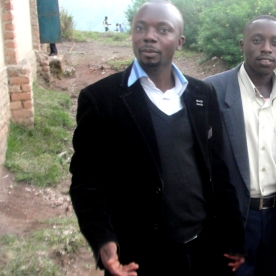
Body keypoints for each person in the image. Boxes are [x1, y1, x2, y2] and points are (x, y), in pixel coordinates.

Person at [69, 1, 245, 275]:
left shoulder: (201, 95)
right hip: (140, 257)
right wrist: (102, 239)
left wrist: (233, 236)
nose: (149, 36)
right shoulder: (102, 99)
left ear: (180, 41)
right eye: (141, 28)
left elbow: (218, 170)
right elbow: (86, 180)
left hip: (204, 249)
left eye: (163, 29)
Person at [203, 15, 276, 276]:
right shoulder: (213, 90)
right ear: (242, 45)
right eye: (257, 40)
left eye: (275, 42)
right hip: (235, 219)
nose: (266, 48)